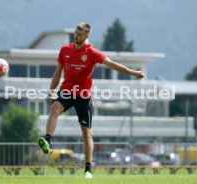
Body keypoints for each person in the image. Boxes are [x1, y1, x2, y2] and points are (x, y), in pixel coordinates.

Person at [38, 22, 144, 179]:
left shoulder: (92, 53)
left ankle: (88, 169)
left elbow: (112, 64)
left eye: (80, 34)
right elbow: (58, 72)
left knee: (86, 133)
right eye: (75, 32)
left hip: (83, 96)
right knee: (54, 108)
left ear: (87, 36)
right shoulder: (65, 50)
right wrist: (51, 90)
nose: (76, 35)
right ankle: (47, 141)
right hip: (67, 92)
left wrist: (132, 72)